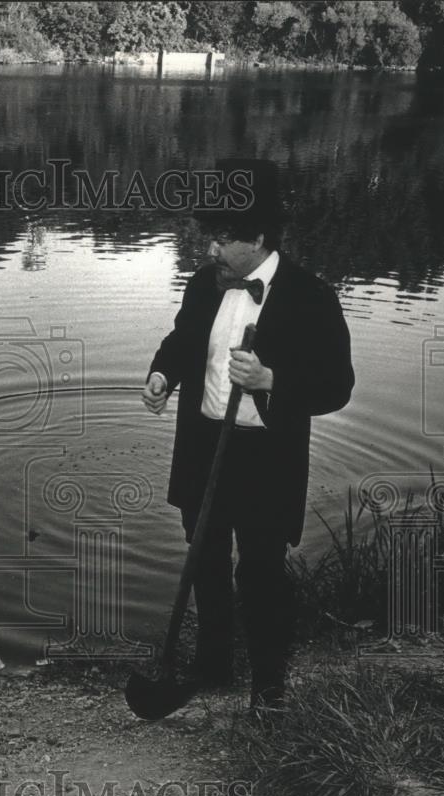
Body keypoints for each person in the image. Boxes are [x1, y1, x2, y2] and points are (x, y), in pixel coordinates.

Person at [142, 159, 354, 711]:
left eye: (221, 238)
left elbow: (337, 386)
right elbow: (184, 341)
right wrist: (163, 375)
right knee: (205, 562)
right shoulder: (203, 286)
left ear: (258, 237)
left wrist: (272, 380)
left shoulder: (312, 297)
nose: (211, 249)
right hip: (203, 447)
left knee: (260, 571)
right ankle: (211, 664)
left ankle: (268, 684)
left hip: (266, 459)